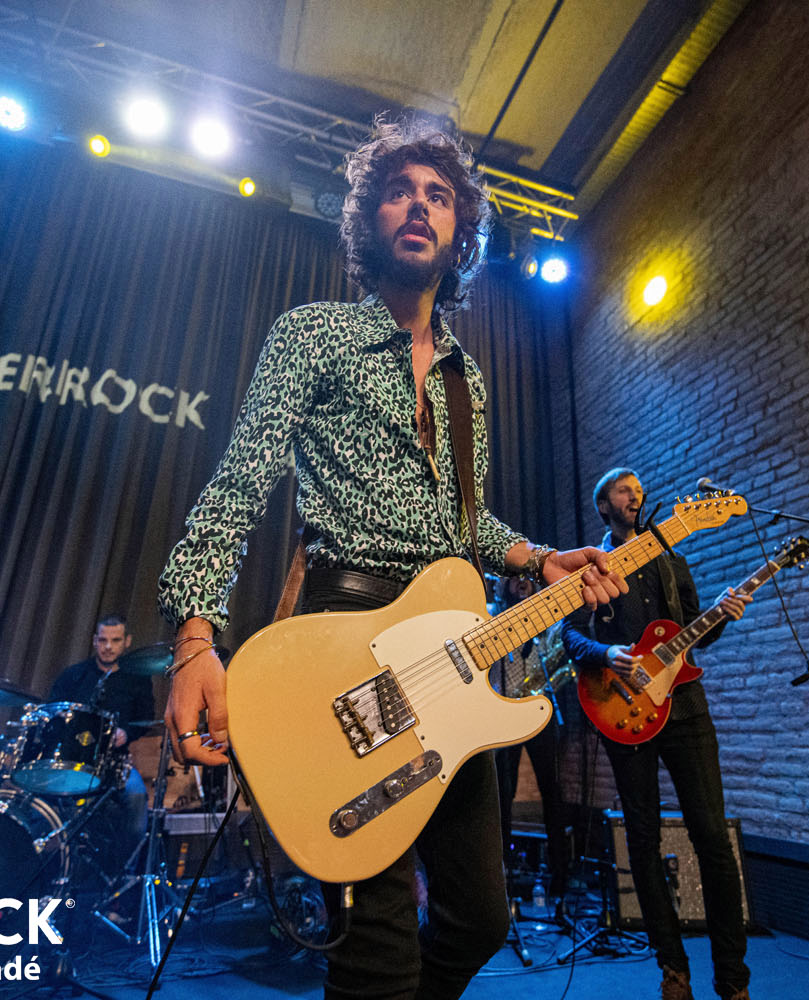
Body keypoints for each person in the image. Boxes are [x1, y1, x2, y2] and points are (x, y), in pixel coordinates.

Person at [157, 116, 626, 999]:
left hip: (453, 659)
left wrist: (537, 558)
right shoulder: (313, 335)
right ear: (369, 219)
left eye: (439, 196)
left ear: (460, 234)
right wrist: (194, 637)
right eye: (400, 192)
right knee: (377, 945)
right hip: (347, 644)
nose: (419, 206)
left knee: (479, 918)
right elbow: (239, 485)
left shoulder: (466, 378)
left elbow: (464, 523)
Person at [562, 469, 753, 1000]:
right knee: (642, 842)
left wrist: (722, 616)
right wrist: (607, 653)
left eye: (639, 490)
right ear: (604, 506)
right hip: (623, 712)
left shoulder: (672, 558)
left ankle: (733, 980)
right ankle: (673, 970)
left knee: (712, 838)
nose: (636, 496)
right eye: (624, 490)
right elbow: (569, 635)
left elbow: (694, 634)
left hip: (685, 708)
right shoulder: (591, 570)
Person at [489, 574, 572, 912]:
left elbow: (557, 654)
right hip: (504, 713)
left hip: (540, 708)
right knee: (503, 795)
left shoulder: (545, 620)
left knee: (552, 790)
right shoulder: (493, 617)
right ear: (502, 585)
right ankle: (502, 879)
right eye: (515, 579)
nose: (523, 584)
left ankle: (561, 878)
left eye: (528, 579)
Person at [46, 613, 154, 856]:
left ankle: (122, 867)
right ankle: (59, 858)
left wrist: (126, 733)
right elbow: (51, 711)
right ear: (94, 641)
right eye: (103, 640)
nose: (108, 647)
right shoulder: (74, 675)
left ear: (127, 641)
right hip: (72, 760)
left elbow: (146, 718)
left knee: (137, 797)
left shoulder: (138, 680)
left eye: (115, 640)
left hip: (115, 762)